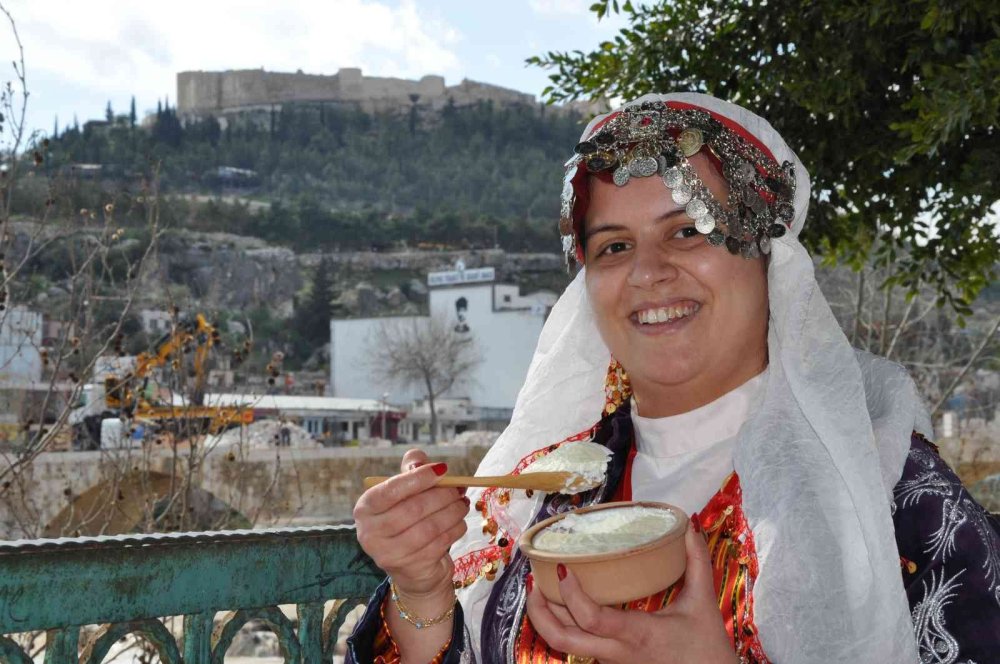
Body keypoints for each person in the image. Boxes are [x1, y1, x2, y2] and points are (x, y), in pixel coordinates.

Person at [348, 93, 1000, 663]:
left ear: (766, 257)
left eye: (688, 230)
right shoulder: (541, 495)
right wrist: (422, 588)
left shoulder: (889, 490)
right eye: (614, 246)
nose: (647, 272)